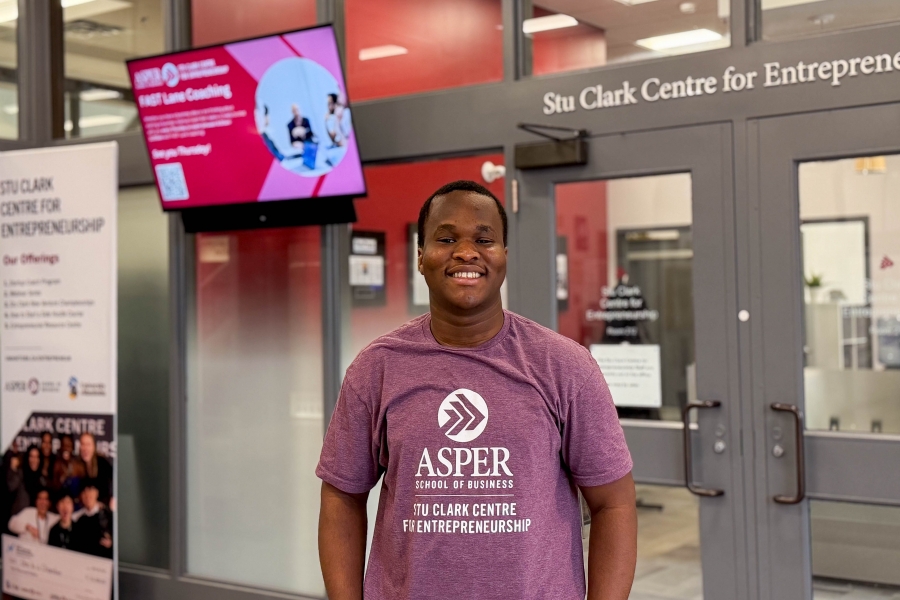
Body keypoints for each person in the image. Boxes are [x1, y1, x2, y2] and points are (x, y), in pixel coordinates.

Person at [317, 180, 637, 600]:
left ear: (504, 256)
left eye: (484, 239)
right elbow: (342, 497)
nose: (466, 252)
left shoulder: (564, 366)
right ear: (420, 257)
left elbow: (614, 504)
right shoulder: (377, 368)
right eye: (446, 238)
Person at [72, 482, 113, 558]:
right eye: (84, 491)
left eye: (90, 490)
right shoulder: (79, 520)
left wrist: (112, 543)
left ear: (97, 493)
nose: (87, 494)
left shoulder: (109, 515)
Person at [74, 433, 113, 506]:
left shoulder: (102, 463)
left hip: (102, 506)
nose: (85, 448)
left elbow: (114, 481)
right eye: (83, 444)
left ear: (94, 447)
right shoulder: (77, 465)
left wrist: (113, 497)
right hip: (83, 508)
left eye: (88, 444)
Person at [9, 445, 47, 515]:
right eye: (31, 456)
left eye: (37, 457)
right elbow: (11, 487)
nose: (34, 460)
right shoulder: (20, 473)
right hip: (20, 517)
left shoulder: (42, 479)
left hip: (36, 520)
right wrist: (13, 470)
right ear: (27, 458)